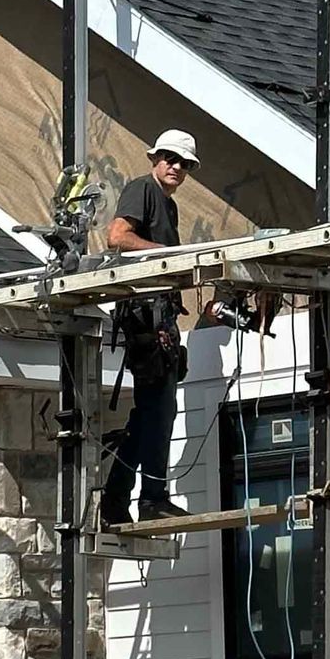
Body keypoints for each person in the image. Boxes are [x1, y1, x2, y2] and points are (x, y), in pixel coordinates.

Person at [99, 129, 201, 528]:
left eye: (184, 163)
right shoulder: (142, 189)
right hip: (146, 318)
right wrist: (167, 255)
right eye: (170, 159)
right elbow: (117, 237)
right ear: (155, 158)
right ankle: (152, 498)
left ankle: (117, 500)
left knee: (151, 414)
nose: (176, 167)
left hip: (158, 314)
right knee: (158, 411)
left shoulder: (167, 205)